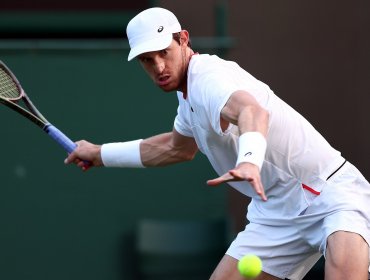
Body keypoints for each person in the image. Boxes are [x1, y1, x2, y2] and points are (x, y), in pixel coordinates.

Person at [64, 7, 370, 280]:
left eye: (163, 53)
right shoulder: (188, 100)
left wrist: (249, 161)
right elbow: (176, 147)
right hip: (276, 211)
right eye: (147, 60)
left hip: (330, 194)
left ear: (183, 39)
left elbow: (252, 111)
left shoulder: (209, 78)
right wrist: (100, 154)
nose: (158, 67)